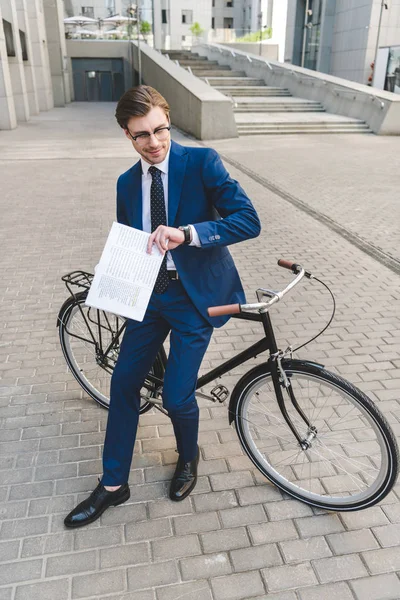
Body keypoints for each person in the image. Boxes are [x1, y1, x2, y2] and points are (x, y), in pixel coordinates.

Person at [64, 85, 261, 528]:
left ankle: (188, 457)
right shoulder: (126, 183)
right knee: (123, 385)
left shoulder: (202, 163)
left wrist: (188, 233)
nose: (154, 143)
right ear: (126, 136)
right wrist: (116, 277)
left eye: (160, 130)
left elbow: (249, 220)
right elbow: (131, 240)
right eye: (142, 135)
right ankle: (113, 485)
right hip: (148, 298)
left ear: (168, 123)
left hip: (195, 299)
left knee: (176, 395)